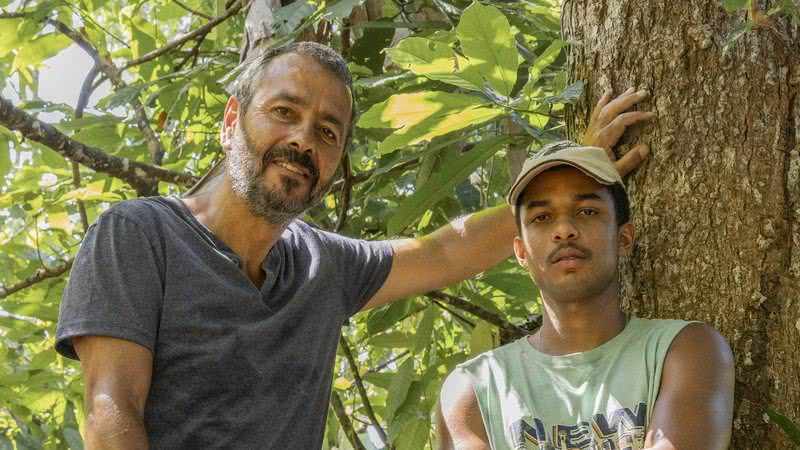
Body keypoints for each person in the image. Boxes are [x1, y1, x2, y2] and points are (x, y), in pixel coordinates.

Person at [55, 41, 652, 449]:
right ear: (232, 120)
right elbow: (111, 412)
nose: (301, 140)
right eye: (283, 112)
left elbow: (445, 252)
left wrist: (573, 164)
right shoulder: (139, 235)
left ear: (337, 161)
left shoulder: (322, 265)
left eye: (327, 132)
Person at [436, 141, 735, 449]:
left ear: (623, 238)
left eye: (587, 211)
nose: (564, 229)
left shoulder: (685, 350)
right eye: (542, 217)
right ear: (522, 252)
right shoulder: (474, 388)